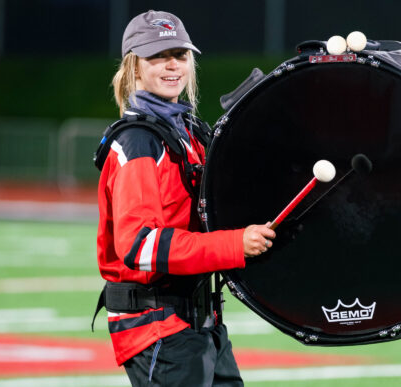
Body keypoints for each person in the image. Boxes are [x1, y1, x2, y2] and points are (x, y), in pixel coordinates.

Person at [94, 10, 276, 386]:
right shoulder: (138, 142)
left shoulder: (188, 131)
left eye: (180, 54)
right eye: (158, 56)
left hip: (198, 322)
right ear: (134, 68)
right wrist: (234, 243)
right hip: (156, 327)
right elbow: (141, 246)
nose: (172, 65)